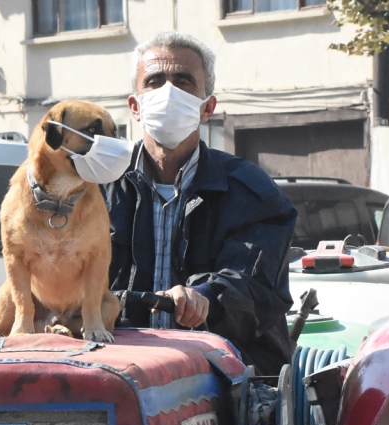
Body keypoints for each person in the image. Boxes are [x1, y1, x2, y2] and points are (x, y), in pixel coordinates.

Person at [106, 31, 297, 375]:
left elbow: (257, 285)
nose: (168, 92)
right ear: (134, 106)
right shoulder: (98, 190)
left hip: (222, 379)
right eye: (154, 81)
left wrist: (206, 296)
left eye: (183, 82)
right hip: (117, 372)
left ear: (207, 107)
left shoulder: (251, 191)